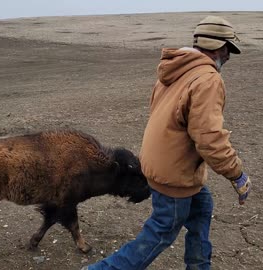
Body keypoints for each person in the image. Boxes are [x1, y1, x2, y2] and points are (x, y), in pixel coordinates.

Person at [83, 15, 252, 270]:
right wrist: (237, 175)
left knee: (202, 209)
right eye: (229, 49)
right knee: (160, 233)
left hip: (159, 165)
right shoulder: (207, 78)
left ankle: (198, 266)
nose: (229, 56)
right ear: (218, 47)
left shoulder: (176, 69)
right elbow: (209, 139)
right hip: (174, 174)